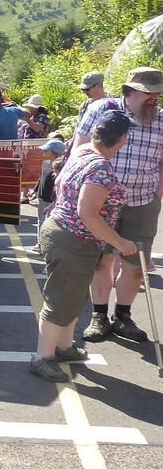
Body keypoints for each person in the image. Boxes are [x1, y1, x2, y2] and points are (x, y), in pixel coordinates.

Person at [30, 111, 136, 382]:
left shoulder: (82, 150)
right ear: (121, 139)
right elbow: (88, 213)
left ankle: (64, 347)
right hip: (73, 239)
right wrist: (120, 242)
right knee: (61, 298)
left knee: (74, 296)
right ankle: (42, 356)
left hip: (66, 233)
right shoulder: (100, 167)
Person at [74, 66, 163, 343]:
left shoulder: (161, 120)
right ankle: (99, 315)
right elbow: (80, 149)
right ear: (130, 90)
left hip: (143, 200)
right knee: (102, 260)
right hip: (101, 200)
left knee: (135, 264)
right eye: (148, 92)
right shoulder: (103, 110)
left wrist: (158, 195)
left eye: (157, 92)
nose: (154, 97)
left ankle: (122, 316)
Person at [27, 139, 67, 254]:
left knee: (49, 223)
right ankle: (40, 244)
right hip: (42, 198)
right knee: (40, 222)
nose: (44, 153)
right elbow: (41, 178)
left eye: (47, 151)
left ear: (54, 153)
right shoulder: (45, 164)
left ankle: (48, 245)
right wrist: (35, 190)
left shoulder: (61, 167)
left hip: (51, 201)